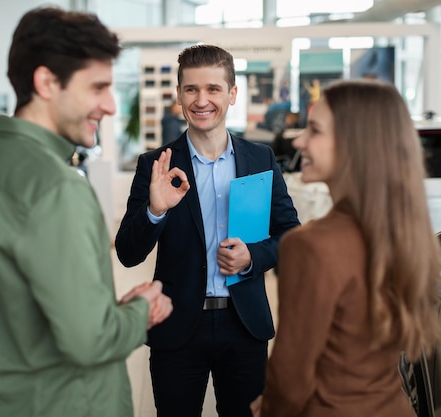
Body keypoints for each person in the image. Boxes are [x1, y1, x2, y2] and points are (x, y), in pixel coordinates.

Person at [0, 7, 172, 417]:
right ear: (47, 82)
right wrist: (141, 311)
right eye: (97, 87)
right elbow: (89, 340)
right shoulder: (56, 187)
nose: (109, 105)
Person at [115, 44, 300, 417]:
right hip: (178, 329)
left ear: (232, 94)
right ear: (179, 94)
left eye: (213, 89)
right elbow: (127, 252)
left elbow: (291, 236)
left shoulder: (260, 159)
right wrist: (155, 210)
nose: (202, 100)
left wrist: (252, 257)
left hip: (244, 324)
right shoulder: (156, 164)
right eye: (191, 89)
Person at [251, 80, 441, 417]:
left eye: (315, 130)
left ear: (355, 144)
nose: (299, 140)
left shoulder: (311, 246)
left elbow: (290, 380)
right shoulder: (406, 235)